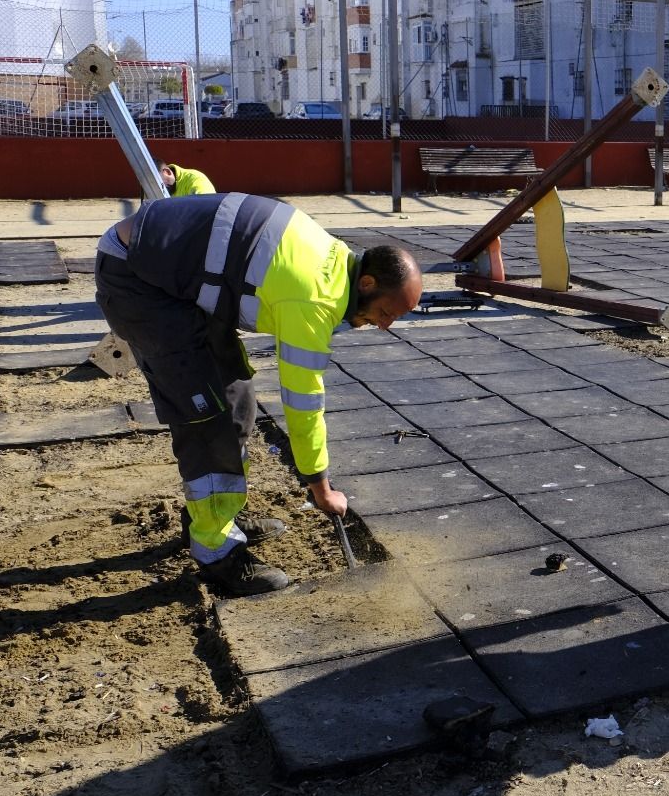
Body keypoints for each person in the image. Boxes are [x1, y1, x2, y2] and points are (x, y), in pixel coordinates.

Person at [94, 193, 423, 596]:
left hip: (171, 276)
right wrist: (320, 487)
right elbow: (303, 403)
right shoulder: (315, 297)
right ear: (367, 284)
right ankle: (217, 553)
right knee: (208, 418)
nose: (386, 325)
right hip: (138, 279)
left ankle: (218, 516)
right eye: (387, 312)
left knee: (238, 398)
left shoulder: (336, 262)